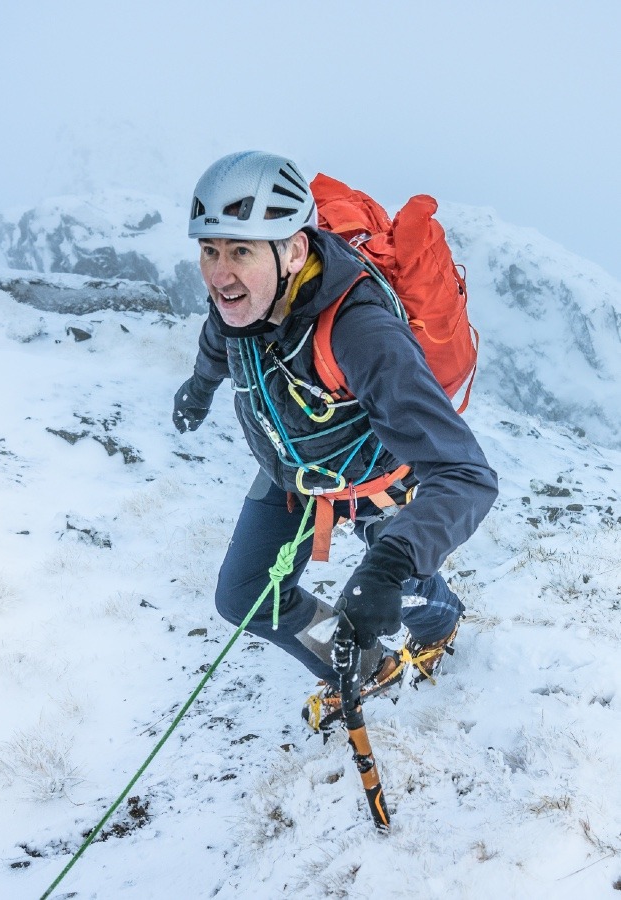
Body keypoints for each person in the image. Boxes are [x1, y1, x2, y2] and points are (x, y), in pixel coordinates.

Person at [172, 151, 499, 730]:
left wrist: (389, 562)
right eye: (210, 250)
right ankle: (366, 662)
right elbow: (219, 332)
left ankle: (440, 622)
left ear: (294, 250)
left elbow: (465, 474)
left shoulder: (363, 331)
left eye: (240, 251)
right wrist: (200, 386)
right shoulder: (243, 295)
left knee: (399, 586)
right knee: (245, 596)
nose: (219, 273)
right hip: (292, 470)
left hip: (374, 476)